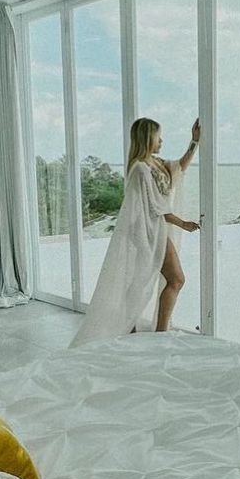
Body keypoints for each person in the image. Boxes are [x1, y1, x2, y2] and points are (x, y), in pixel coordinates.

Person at [70, 117, 200, 347]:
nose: (161, 141)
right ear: (147, 138)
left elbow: (179, 168)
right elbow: (155, 207)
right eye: (158, 137)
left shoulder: (156, 163)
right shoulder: (140, 168)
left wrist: (194, 142)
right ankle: (150, 332)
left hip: (156, 231)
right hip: (145, 233)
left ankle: (147, 330)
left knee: (153, 282)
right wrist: (182, 223)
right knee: (166, 280)